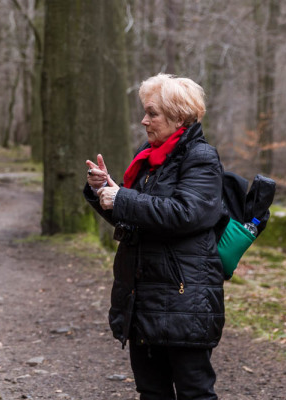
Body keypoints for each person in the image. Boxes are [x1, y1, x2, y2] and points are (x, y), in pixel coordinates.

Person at [84, 74, 224, 400]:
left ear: (178, 116)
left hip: (184, 299)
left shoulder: (200, 158)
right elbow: (138, 218)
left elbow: (187, 213)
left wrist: (123, 199)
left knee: (194, 392)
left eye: (152, 113)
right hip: (143, 296)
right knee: (151, 391)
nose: (144, 120)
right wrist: (103, 191)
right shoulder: (149, 158)